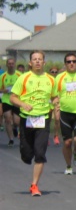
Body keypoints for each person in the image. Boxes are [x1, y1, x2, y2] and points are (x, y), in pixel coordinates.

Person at [10, 50, 59, 196]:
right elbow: (13, 97)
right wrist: (22, 104)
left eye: (40, 59)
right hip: (27, 118)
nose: (37, 61)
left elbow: (55, 97)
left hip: (43, 118)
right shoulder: (24, 78)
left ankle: (34, 185)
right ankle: (26, 153)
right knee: (26, 154)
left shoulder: (51, 79)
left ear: (44, 62)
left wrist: (56, 104)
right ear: (30, 63)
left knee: (40, 153)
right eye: (34, 59)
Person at [1, 56, 20, 146]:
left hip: (17, 100)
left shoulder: (20, 75)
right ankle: (11, 139)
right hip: (6, 99)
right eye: (9, 64)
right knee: (8, 118)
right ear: (7, 65)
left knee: (16, 121)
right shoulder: (3, 76)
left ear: (15, 65)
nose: (11, 65)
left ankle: (15, 128)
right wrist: (3, 91)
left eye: (12, 64)